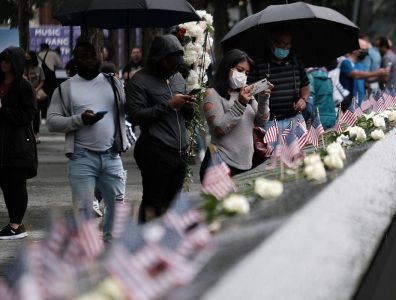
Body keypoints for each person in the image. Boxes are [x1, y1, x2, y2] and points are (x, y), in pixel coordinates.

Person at [47, 41, 128, 243]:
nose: (90, 61)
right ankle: (86, 254)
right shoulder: (65, 88)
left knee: (118, 208)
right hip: (82, 157)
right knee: (84, 212)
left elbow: (127, 109)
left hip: (112, 155)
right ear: (75, 61)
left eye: (93, 56)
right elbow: (52, 121)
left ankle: (110, 249)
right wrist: (80, 120)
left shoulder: (113, 82)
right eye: (84, 57)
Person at [126, 35, 195, 223]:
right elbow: (135, 116)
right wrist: (169, 104)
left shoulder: (178, 78)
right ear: (158, 58)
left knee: (172, 206)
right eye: (170, 63)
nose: (174, 68)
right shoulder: (139, 81)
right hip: (155, 151)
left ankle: (166, 245)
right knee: (153, 204)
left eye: (177, 64)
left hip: (179, 153)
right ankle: (142, 245)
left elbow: (185, 117)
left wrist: (188, 107)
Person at [199, 49, 273, 182]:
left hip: (247, 163)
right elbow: (220, 129)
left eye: (247, 73)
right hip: (221, 162)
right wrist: (241, 103)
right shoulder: (212, 94)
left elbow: (261, 122)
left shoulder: (245, 93)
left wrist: (263, 99)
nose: (243, 75)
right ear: (228, 68)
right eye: (240, 70)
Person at [0, 47, 38, 239]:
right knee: (5, 182)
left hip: (19, 142)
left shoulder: (24, 86)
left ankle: (17, 224)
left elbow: (29, 114)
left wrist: (4, 111)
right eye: (2, 59)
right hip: (1, 143)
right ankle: (12, 223)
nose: (4, 63)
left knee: (16, 182)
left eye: (8, 60)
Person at [248, 25, 311, 133]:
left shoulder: (295, 60)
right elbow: (249, 90)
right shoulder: (258, 61)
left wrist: (304, 99)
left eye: (288, 44)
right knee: (270, 150)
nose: (285, 48)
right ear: (271, 41)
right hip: (268, 123)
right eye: (281, 44)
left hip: (293, 120)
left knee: (297, 150)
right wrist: (263, 87)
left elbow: (305, 84)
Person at [339, 39, 388, 108]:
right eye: (362, 49)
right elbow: (356, 75)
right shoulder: (345, 62)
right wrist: (377, 73)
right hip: (349, 104)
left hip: (361, 103)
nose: (365, 52)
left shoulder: (360, 64)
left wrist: (380, 76)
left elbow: (368, 79)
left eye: (366, 50)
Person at [24, 50, 46, 144]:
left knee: (36, 114)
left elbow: (42, 80)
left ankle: (35, 134)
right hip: (26, 93)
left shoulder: (39, 67)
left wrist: (36, 89)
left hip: (35, 93)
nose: (26, 59)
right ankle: (27, 135)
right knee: (26, 114)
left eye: (28, 58)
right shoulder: (24, 67)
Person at [38, 43, 62, 124]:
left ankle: (43, 118)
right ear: (48, 48)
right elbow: (59, 64)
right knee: (53, 97)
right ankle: (54, 116)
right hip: (51, 78)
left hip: (42, 79)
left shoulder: (38, 55)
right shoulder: (53, 53)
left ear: (41, 48)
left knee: (43, 97)